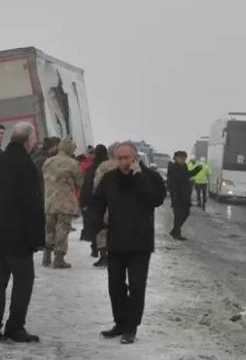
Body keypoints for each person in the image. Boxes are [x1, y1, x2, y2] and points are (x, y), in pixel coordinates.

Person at [91, 141, 166, 345]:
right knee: (115, 286)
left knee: (137, 287)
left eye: (127, 158)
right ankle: (120, 323)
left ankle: (131, 328)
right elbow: (97, 202)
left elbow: (155, 199)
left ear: (135, 158)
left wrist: (138, 176)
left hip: (140, 244)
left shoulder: (149, 177)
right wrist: (98, 225)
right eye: (120, 158)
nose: (123, 162)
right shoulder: (110, 178)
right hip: (116, 241)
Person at [0, 122, 44, 343]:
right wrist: (38, 239)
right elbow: (32, 204)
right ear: (28, 139)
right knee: (24, 280)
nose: (35, 141)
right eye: (34, 138)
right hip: (18, 236)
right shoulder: (25, 164)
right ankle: (15, 327)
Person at [42, 138, 83, 269]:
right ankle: (59, 258)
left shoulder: (48, 161)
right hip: (65, 201)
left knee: (49, 228)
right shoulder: (73, 163)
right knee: (62, 229)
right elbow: (79, 183)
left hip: (49, 200)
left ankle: (46, 256)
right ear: (70, 149)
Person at [90, 142, 120, 267]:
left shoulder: (104, 166)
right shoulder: (127, 164)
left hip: (105, 202)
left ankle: (104, 257)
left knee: (102, 229)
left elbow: (96, 183)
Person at [167, 151, 202, 240]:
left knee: (186, 213)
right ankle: (176, 233)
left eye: (184, 158)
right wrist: (173, 193)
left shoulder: (184, 166)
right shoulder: (173, 167)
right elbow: (172, 182)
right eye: (181, 158)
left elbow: (187, 175)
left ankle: (174, 231)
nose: (182, 159)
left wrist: (197, 170)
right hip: (177, 195)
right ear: (176, 158)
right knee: (178, 215)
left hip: (185, 195)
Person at [80, 145, 106, 259]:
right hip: (108, 201)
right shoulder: (109, 166)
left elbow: (87, 186)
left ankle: (96, 249)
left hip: (94, 201)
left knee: (95, 225)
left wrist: (84, 202)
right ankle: (105, 251)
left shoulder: (92, 168)